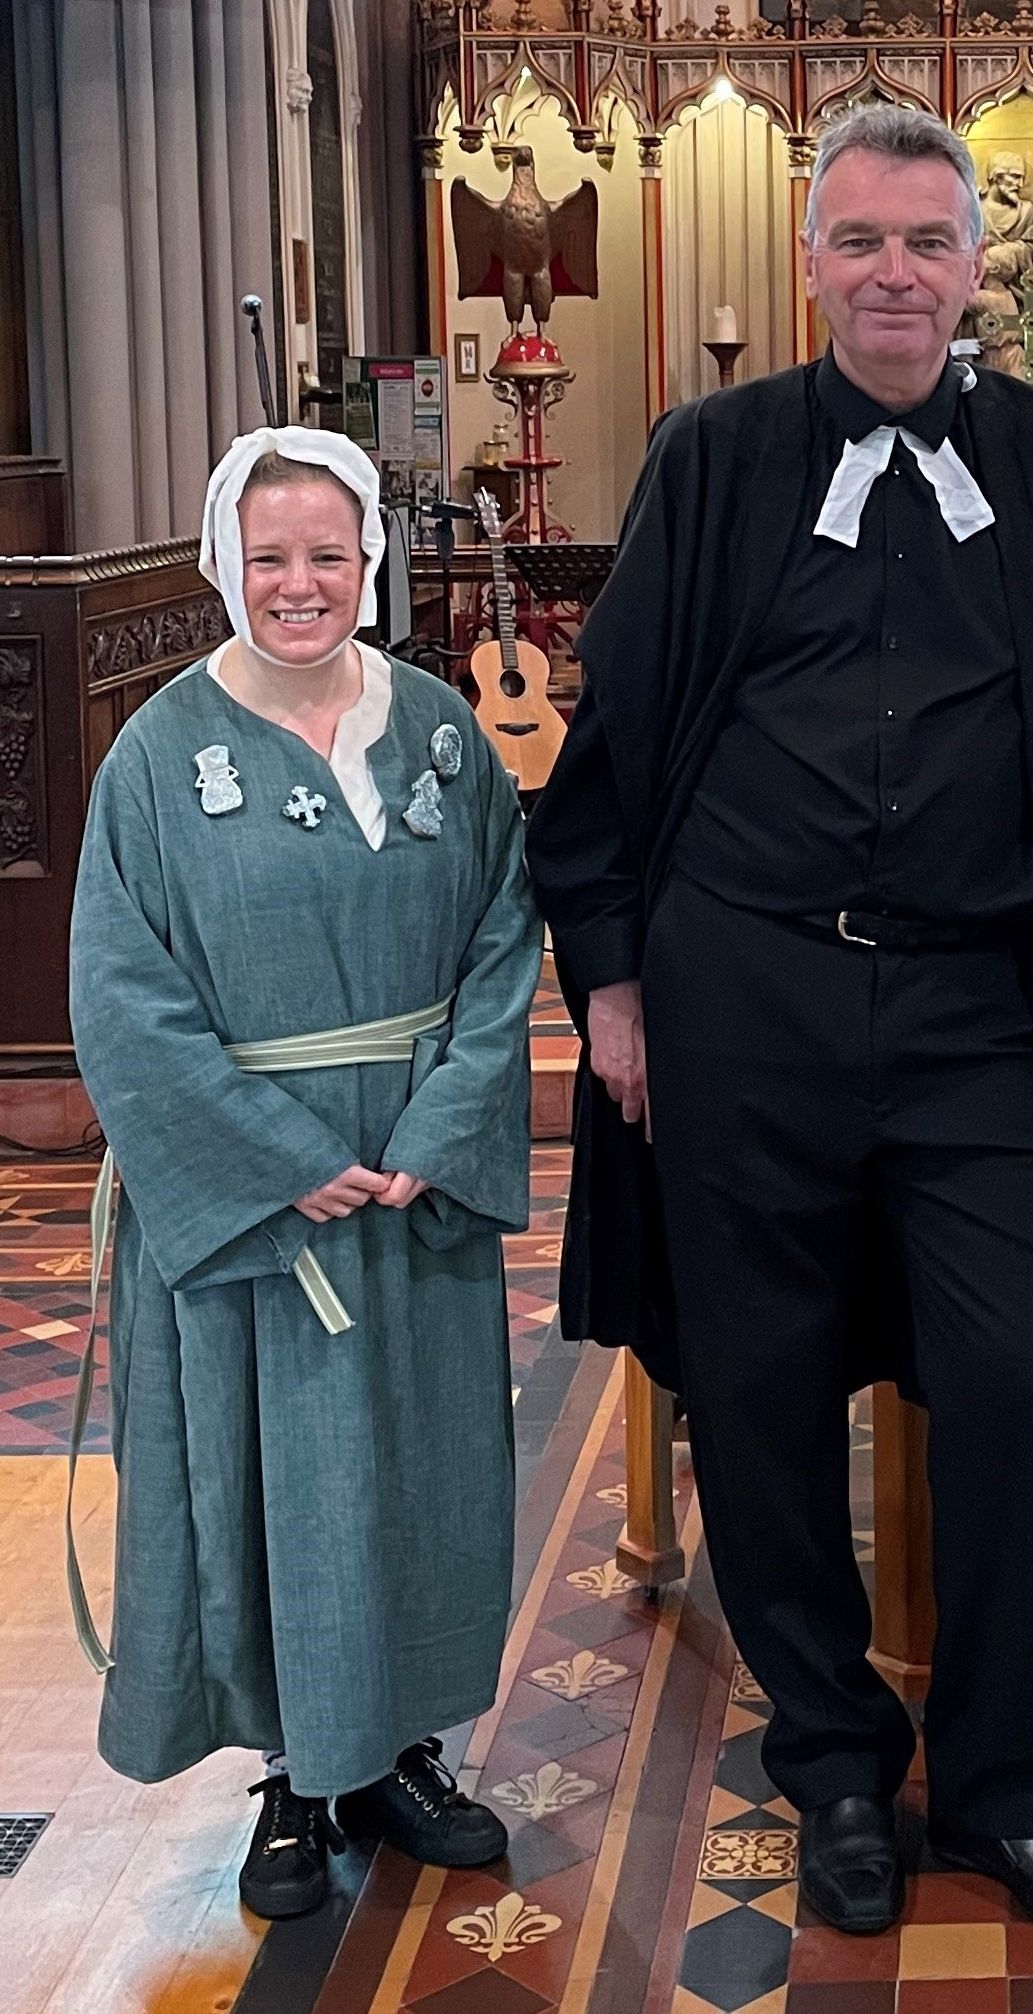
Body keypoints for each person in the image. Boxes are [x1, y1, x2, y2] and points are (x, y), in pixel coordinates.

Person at [524, 103, 1033, 1946]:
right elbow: (617, 733)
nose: (895, 273)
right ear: (811, 262)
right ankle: (833, 1761)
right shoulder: (712, 456)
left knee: (1018, 1385)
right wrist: (618, 977)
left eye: (927, 243)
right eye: (861, 241)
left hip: (983, 1003)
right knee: (763, 1395)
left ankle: (1008, 1780)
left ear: (977, 269)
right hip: (748, 995)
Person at [67, 427, 541, 1919]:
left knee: (415, 1466)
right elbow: (122, 993)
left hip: (411, 1183)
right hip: (257, 1202)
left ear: (369, 561)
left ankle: (399, 1748)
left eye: (326, 555)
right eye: (268, 557)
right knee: (269, 1482)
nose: (299, 584)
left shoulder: (442, 733)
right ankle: (287, 1774)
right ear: (225, 562)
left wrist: (438, 1129)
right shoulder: (155, 757)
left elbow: (500, 938)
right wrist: (278, 1161)